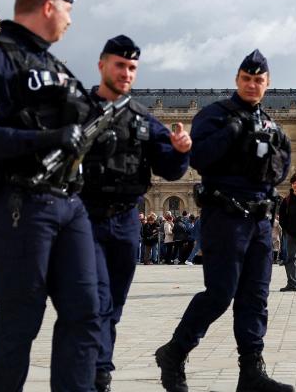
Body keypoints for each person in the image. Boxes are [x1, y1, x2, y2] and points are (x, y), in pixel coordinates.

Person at [0, 0, 101, 391]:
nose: (71, 21)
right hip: (20, 202)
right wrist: (46, 138)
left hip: (69, 204)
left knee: (86, 312)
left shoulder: (56, 67)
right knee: (20, 322)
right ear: (48, 7)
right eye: (68, 10)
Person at [154, 49, 293, 392]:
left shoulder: (273, 127)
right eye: (246, 79)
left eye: (258, 80)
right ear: (237, 80)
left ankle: (251, 372)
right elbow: (198, 157)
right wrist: (233, 132)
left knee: (255, 298)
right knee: (220, 293)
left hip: (260, 221)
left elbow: (281, 169)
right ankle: (175, 352)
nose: (252, 84)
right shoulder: (214, 116)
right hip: (226, 216)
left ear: (267, 84)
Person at [80, 35, 191, 391]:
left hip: (127, 220)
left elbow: (171, 170)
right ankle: (97, 373)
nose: (126, 73)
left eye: (132, 68)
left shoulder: (144, 120)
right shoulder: (77, 111)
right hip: (85, 218)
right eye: (119, 65)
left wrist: (180, 151)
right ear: (101, 65)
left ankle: (101, 374)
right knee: (95, 300)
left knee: (112, 303)